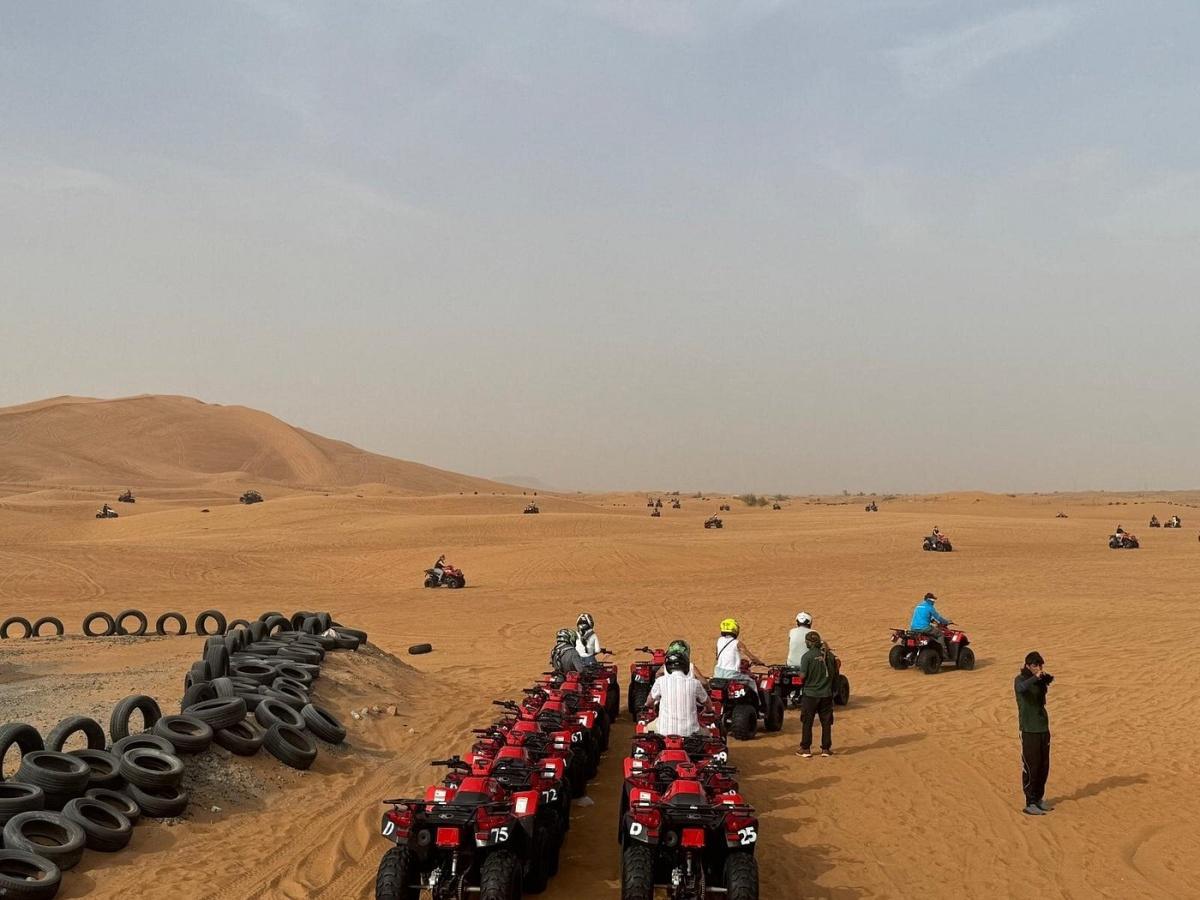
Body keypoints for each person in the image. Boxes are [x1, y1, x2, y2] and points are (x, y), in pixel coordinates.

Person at [1015, 651, 1054, 816]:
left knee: (1044, 766)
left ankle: (1038, 799)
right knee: (1032, 766)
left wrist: (1044, 680)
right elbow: (1021, 688)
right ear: (1027, 666)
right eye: (1035, 665)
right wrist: (1035, 678)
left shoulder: (1039, 681)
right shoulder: (1020, 679)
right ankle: (1030, 802)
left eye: (1040, 665)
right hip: (1029, 729)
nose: (1038, 668)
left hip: (1043, 728)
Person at [644, 642, 710, 736]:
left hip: (664, 732)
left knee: (645, 729)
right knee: (708, 734)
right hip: (691, 733)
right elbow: (707, 700)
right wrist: (708, 709)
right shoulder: (695, 682)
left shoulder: (660, 680)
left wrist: (649, 706)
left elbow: (649, 701)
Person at [795, 631, 835, 758]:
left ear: (809, 643)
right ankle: (826, 749)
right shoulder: (829, 656)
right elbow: (834, 674)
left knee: (807, 722)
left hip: (810, 695)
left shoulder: (807, 657)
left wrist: (799, 674)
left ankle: (805, 749)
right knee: (826, 722)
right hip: (826, 695)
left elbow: (802, 676)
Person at [714, 618, 765, 695]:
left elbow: (717, 656)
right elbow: (751, 657)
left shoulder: (719, 640)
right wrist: (759, 662)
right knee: (751, 682)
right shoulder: (737, 643)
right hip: (731, 674)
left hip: (717, 673)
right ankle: (758, 701)